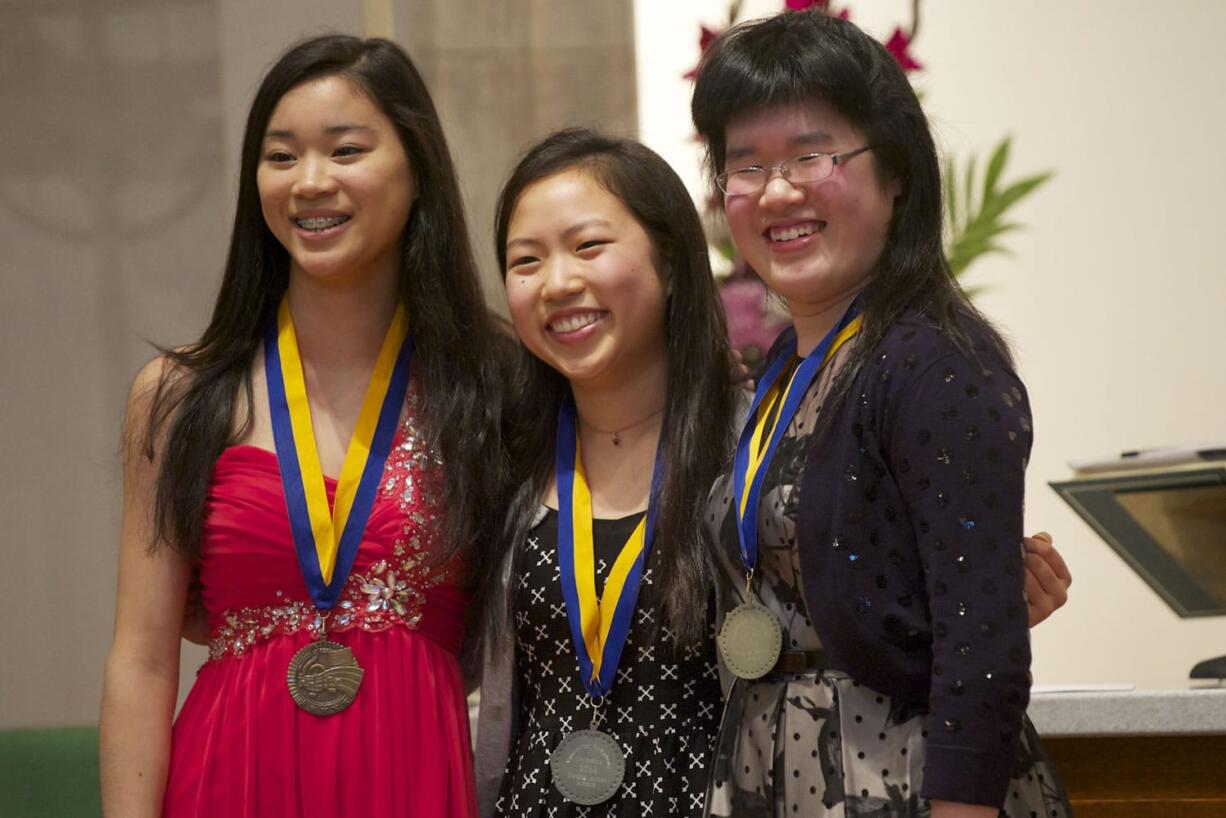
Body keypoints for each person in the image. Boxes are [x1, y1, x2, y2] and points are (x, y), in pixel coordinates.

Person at [471, 130, 1071, 818]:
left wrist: (971, 601)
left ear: (669, 260)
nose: (557, 282)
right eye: (525, 260)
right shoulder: (503, 458)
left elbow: (845, 605)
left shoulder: (761, 442)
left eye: (588, 247)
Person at [99, 35, 507, 818]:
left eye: (346, 150)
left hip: (413, 777)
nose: (311, 182)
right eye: (280, 157)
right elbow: (142, 661)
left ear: (417, 166)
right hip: (228, 777)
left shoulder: (497, 385)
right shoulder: (180, 395)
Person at [690, 9, 1070, 818]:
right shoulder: (786, 366)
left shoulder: (934, 361)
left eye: (810, 155)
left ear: (894, 173)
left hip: (898, 780)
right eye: (745, 166)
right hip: (775, 769)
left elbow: (982, 654)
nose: (777, 190)